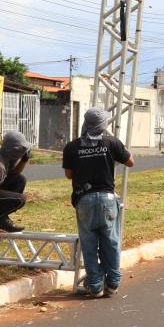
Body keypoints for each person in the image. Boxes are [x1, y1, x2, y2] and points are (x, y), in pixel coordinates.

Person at [63, 108, 134, 298]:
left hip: (84, 200)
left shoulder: (72, 147)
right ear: (104, 125)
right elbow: (130, 162)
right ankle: (112, 283)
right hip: (107, 200)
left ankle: (95, 285)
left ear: (85, 123)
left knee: (89, 243)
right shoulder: (111, 142)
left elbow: (68, 174)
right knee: (111, 242)